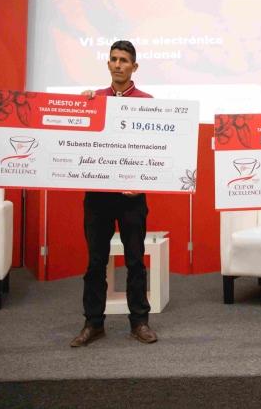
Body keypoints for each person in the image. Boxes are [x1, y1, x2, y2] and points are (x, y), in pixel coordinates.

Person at [70, 40, 158, 346]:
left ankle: (140, 322)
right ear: (108, 64)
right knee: (96, 262)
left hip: (132, 197)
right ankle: (93, 323)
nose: (118, 64)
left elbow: (155, 151)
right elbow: (77, 140)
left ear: (134, 66)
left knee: (135, 261)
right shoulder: (93, 99)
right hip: (98, 196)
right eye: (114, 59)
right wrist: (80, 109)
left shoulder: (148, 103)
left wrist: (144, 183)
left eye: (124, 60)